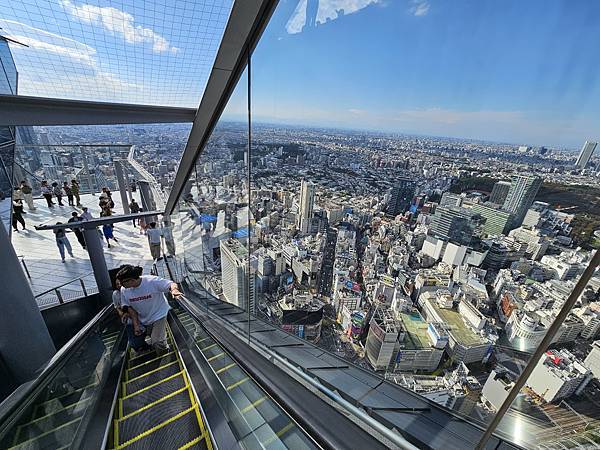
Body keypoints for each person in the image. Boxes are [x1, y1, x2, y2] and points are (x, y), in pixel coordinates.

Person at [117, 265, 182, 354]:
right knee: (138, 342)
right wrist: (136, 325)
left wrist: (174, 290)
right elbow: (129, 308)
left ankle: (165, 354)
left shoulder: (151, 281)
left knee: (157, 341)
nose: (121, 284)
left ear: (131, 280)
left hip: (159, 314)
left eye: (123, 282)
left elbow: (171, 284)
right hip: (143, 319)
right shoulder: (124, 290)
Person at [112, 279, 149, 353]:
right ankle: (141, 347)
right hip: (128, 320)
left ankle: (147, 345)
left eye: (120, 283)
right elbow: (116, 305)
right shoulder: (115, 294)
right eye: (117, 284)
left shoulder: (130, 290)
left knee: (146, 331)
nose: (119, 285)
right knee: (133, 339)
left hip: (139, 316)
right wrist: (120, 312)